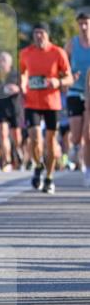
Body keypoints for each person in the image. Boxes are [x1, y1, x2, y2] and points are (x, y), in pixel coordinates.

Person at [19, 21, 73, 194]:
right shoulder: (25, 53)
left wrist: (58, 81)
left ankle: (49, 178)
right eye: (36, 33)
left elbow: (69, 78)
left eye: (42, 32)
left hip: (52, 102)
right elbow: (22, 72)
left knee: (50, 141)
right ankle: (38, 165)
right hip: (32, 102)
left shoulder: (58, 52)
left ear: (48, 35)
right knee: (34, 138)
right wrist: (22, 83)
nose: (38, 36)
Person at [65, 10, 90, 186]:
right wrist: (67, 77)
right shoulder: (72, 44)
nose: (83, 27)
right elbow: (62, 65)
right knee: (76, 133)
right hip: (75, 90)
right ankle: (75, 147)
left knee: (88, 134)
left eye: (86, 23)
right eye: (80, 23)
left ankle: (88, 169)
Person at [0, 51, 22, 171]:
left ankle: (17, 151)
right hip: (0, 107)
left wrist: (16, 88)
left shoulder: (15, 74)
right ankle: (7, 160)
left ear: (10, 63)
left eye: (4, 60)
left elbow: (23, 88)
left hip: (13, 107)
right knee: (2, 134)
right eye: (0, 60)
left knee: (16, 136)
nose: (1, 63)